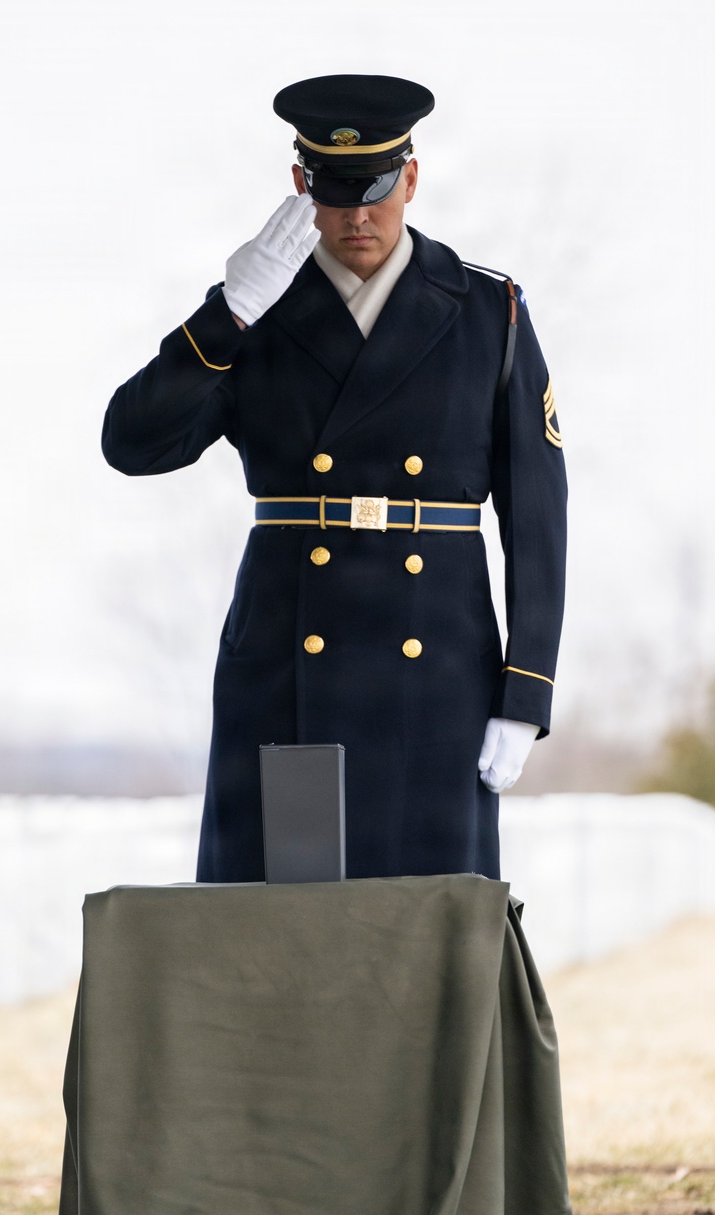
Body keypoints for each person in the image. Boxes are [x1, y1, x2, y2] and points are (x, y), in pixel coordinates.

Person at [102, 74, 566, 882]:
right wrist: (228, 313)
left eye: (376, 191)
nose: (357, 215)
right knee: (286, 937)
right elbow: (134, 443)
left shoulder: (489, 313)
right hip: (289, 673)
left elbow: (538, 520)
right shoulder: (257, 309)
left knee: (422, 942)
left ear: (412, 179)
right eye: (335, 191)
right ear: (300, 186)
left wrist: (524, 695)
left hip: (438, 679)